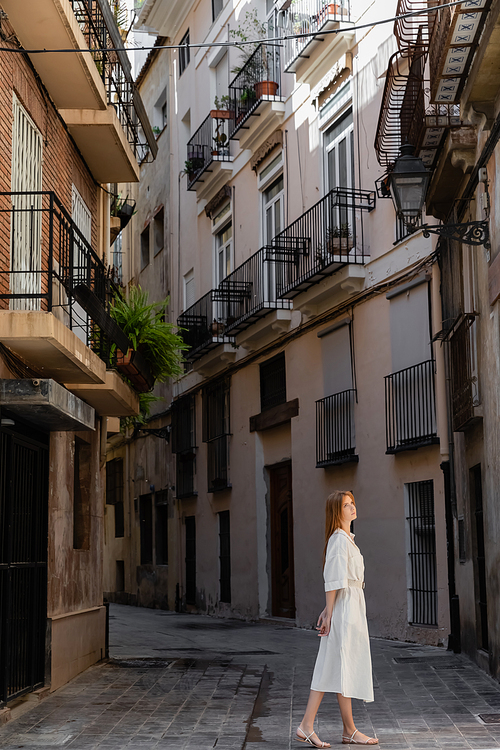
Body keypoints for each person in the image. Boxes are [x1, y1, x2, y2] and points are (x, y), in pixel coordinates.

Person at [296, 491, 378, 747]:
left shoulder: (348, 540)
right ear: (337, 511)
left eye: (353, 502)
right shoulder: (338, 540)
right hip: (344, 609)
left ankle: (349, 730)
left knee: (344, 666)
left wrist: (328, 608)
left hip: (351, 606)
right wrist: (329, 611)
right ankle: (306, 725)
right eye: (346, 505)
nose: (353, 507)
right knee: (330, 663)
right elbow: (332, 577)